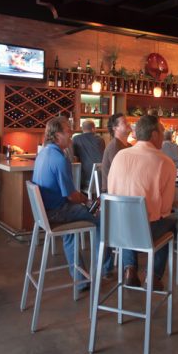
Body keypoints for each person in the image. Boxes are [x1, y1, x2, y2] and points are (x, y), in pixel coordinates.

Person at [34, 117, 113, 288]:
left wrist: (83, 201)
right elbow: (71, 196)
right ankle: (105, 269)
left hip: (44, 213)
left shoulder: (43, 154)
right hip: (57, 211)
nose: (71, 132)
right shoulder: (60, 159)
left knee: (71, 232)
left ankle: (81, 280)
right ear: (56, 135)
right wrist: (88, 200)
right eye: (68, 130)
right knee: (103, 219)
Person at [107, 115, 177, 290]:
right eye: (161, 131)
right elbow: (165, 209)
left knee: (129, 220)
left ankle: (130, 268)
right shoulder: (164, 162)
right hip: (145, 231)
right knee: (170, 222)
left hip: (115, 228)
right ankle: (153, 275)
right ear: (154, 134)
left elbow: (111, 189)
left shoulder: (120, 156)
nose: (163, 135)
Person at [72, 120, 106, 191]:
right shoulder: (100, 139)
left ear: (82, 129)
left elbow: (74, 157)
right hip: (102, 179)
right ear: (93, 129)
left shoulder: (76, 139)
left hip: (86, 180)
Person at [101, 113, 131, 191]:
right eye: (124, 122)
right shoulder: (114, 146)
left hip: (124, 187)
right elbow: (122, 173)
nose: (128, 124)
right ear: (115, 128)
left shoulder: (129, 146)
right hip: (112, 192)